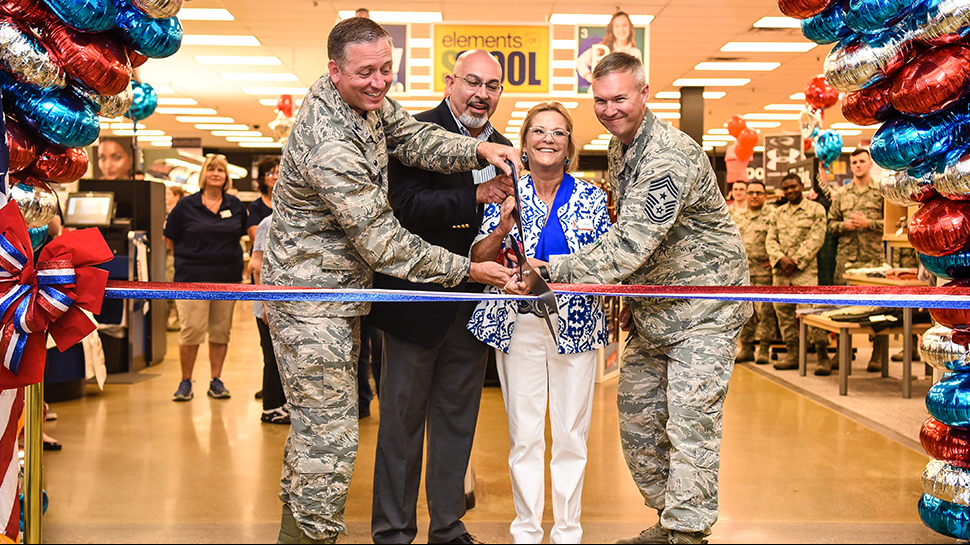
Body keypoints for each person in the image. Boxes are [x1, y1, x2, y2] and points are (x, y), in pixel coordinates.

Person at [261, 17, 521, 544]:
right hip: (311, 299)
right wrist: (465, 270)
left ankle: (300, 530)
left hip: (341, 295)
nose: (379, 82)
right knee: (329, 438)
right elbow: (381, 239)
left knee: (319, 431)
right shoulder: (330, 140)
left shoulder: (367, 106)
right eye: (365, 73)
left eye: (386, 68)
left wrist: (478, 150)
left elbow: (413, 137)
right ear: (334, 71)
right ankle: (309, 536)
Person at [529, 52, 751, 544]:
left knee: (691, 421)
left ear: (645, 94)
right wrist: (634, 295)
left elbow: (629, 244)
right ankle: (669, 517)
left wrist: (550, 270)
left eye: (621, 98)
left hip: (705, 305)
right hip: (657, 305)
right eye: (601, 100)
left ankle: (688, 533)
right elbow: (643, 238)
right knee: (638, 418)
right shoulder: (620, 146)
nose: (610, 110)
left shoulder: (667, 155)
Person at [367, 49, 514, 545]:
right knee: (401, 428)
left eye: (492, 86)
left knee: (457, 421)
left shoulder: (503, 145)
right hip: (415, 305)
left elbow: (503, 222)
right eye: (473, 82)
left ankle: (448, 527)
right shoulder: (414, 131)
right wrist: (476, 194)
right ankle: (393, 532)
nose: (482, 94)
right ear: (451, 82)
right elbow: (406, 209)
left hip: (474, 306)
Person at [468, 101, 610, 544]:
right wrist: (500, 230)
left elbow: (606, 262)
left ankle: (568, 532)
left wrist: (556, 268)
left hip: (576, 324)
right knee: (525, 434)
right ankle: (526, 531)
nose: (548, 139)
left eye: (559, 133)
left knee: (571, 434)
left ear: (570, 147)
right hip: (518, 324)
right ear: (524, 143)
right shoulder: (505, 191)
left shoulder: (591, 196)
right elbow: (478, 258)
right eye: (539, 131)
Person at [164, 154, 247, 401]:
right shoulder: (186, 205)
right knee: (191, 330)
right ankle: (185, 381)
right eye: (211, 169)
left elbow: (244, 235)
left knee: (221, 331)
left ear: (226, 176)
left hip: (227, 278)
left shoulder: (235, 205)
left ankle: (216, 380)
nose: (216, 173)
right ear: (203, 174)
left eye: (221, 170)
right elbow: (169, 238)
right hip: (191, 278)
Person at [827, 148, 891, 371]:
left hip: (873, 259)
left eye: (861, 161)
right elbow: (831, 224)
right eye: (854, 162)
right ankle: (842, 352)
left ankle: (877, 353)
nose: (857, 165)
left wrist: (869, 224)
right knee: (842, 306)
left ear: (870, 164)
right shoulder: (842, 194)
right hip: (847, 259)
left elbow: (892, 225)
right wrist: (844, 225)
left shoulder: (881, 192)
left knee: (877, 307)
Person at [764, 174, 828, 373]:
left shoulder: (816, 209)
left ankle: (822, 355)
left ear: (802, 186)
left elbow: (817, 237)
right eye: (786, 188)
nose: (790, 191)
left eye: (793, 186)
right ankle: (792, 354)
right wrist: (780, 259)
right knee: (783, 313)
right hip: (781, 272)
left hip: (805, 272)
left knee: (812, 311)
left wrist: (797, 261)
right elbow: (770, 239)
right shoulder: (777, 213)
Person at [249, 215, 289, 424]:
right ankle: (270, 407)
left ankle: (281, 403)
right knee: (271, 358)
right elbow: (256, 265)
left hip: (285, 306)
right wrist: (266, 304)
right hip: (267, 306)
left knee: (282, 357)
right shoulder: (267, 223)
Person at [733, 181, 777, 364]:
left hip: (764, 271)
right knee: (745, 311)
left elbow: (778, 238)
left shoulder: (773, 215)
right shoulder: (737, 215)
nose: (754, 196)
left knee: (765, 311)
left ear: (765, 196)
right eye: (751, 192)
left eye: (759, 192)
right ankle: (748, 347)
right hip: (743, 272)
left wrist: (773, 258)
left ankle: (765, 348)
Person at [575, 12, 642, 84]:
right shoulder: (602, 49)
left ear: (630, 28)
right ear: (612, 29)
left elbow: (638, 78)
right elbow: (580, 61)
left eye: (624, 25)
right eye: (617, 26)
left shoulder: (635, 53)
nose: (621, 29)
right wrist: (589, 77)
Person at [164, 185, 185, 332]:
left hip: (173, 256)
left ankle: (177, 319)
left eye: (169, 194)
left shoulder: (181, 213)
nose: (166, 196)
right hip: (165, 255)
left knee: (173, 287)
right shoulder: (163, 213)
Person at [247, 156, 280, 249]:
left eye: (278, 173)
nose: (275, 177)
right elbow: (257, 240)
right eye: (270, 174)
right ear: (262, 179)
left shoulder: (291, 205)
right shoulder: (256, 207)